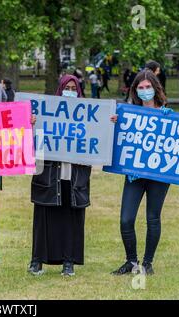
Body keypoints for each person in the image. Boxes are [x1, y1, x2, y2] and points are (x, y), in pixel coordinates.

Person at [28, 74, 117, 277]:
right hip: (48, 177)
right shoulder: (46, 113)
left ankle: (69, 262)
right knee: (43, 220)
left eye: (73, 87)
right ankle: (37, 261)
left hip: (74, 178)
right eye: (66, 87)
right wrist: (30, 123)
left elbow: (100, 136)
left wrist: (109, 121)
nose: (70, 91)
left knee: (71, 221)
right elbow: (30, 141)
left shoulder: (88, 114)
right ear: (60, 89)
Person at [111, 70, 172, 276]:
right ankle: (131, 261)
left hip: (158, 176)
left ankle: (147, 263)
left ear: (155, 88)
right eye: (141, 87)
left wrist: (168, 118)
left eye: (148, 87)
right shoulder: (128, 114)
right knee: (126, 219)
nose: (145, 91)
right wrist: (114, 123)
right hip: (134, 175)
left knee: (153, 217)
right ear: (135, 90)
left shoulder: (167, 114)